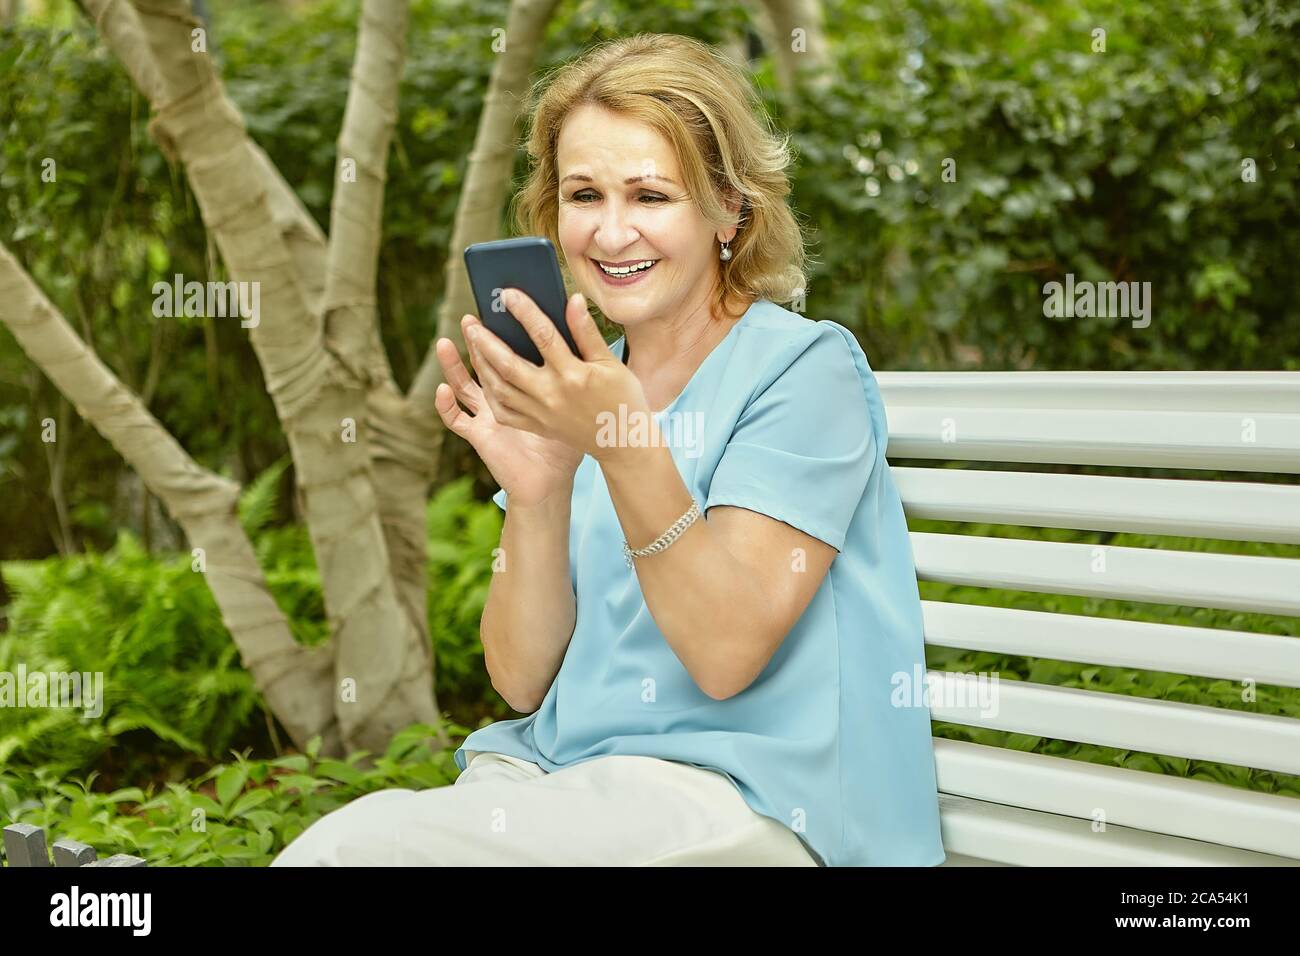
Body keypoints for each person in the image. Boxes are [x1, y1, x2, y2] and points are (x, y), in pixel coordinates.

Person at [272, 32, 945, 868]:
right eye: (584, 194)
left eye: (652, 196)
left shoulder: (804, 372)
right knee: (343, 843)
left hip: (754, 803)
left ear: (730, 210)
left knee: (359, 855)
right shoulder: (585, 386)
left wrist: (623, 446)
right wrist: (538, 492)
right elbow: (521, 682)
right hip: (569, 782)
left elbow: (726, 655)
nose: (613, 232)